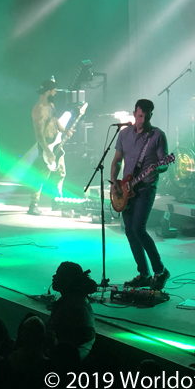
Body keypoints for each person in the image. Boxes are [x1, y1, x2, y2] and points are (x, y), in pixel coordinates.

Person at [110, 99, 170, 290]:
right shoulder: (124, 134)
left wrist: (157, 170)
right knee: (129, 231)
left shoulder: (157, 136)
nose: (143, 120)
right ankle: (144, 274)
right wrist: (114, 182)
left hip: (146, 188)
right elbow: (117, 160)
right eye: (140, 115)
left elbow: (164, 163)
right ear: (134, 113)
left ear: (151, 115)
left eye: (147, 116)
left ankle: (160, 270)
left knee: (138, 229)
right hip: (127, 189)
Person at [29, 79, 74, 216]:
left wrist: (65, 131)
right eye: (54, 91)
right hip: (46, 146)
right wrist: (48, 151)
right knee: (42, 175)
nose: (55, 93)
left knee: (60, 173)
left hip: (56, 143)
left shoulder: (50, 105)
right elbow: (39, 134)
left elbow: (55, 121)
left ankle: (57, 201)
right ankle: (33, 204)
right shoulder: (38, 109)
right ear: (48, 92)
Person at [48, 261, 97, 360]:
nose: (54, 277)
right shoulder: (74, 298)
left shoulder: (72, 305)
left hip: (70, 357)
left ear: (68, 280)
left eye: (58, 274)